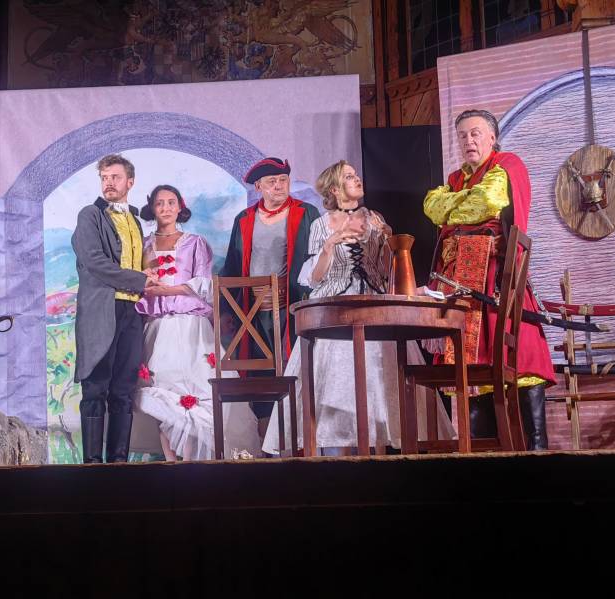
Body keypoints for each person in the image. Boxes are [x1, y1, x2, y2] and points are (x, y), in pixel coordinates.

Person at [262, 160, 455, 454]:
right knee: (335, 392)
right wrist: (330, 245)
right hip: (334, 310)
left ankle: (381, 458)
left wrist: (388, 240)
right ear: (335, 189)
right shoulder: (320, 224)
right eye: (349, 177)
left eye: (356, 175)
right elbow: (315, 278)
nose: (357, 179)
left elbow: (386, 274)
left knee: (379, 389)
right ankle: (336, 462)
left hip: (373, 308)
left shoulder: (375, 219)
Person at [423, 109, 555, 450]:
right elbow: (432, 207)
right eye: (462, 135)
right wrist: (458, 206)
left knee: (520, 354)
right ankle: (484, 455)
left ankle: (536, 451)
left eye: (475, 133)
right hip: (460, 282)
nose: (468, 140)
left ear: (492, 137)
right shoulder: (456, 178)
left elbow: (486, 202)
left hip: (496, 278)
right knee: (470, 367)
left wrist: (455, 209)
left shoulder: (507, 164)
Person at [134, 185, 260, 461]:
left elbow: (203, 285)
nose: (165, 208)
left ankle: (193, 463)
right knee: (162, 394)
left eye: (171, 202)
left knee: (197, 392)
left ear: (180, 206)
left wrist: (167, 290)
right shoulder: (143, 244)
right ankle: (171, 462)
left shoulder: (195, 243)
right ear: (152, 208)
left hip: (191, 326)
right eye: (160, 203)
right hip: (157, 327)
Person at [220, 157, 320, 439]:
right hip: (252, 311)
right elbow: (232, 265)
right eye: (272, 182)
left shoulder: (306, 213)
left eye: (283, 180)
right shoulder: (245, 219)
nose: (279, 186)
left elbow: (317, 258)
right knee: (259, 376)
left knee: (293, 370)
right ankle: (266, 444)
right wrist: (226, 311)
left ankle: (298, 441)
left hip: (291, 307)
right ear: (258, 187)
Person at [72, 153, 160, 463]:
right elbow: (95, 262)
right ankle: (92, 465)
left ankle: (119, 463)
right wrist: (139, 279)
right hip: (101, 312)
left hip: (131, 313)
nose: (109, 183)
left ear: (130, 182)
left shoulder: (134, 220)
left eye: (115, 177)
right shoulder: (90, 215)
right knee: (95, 389)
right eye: (104, 178)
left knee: (123, 390)